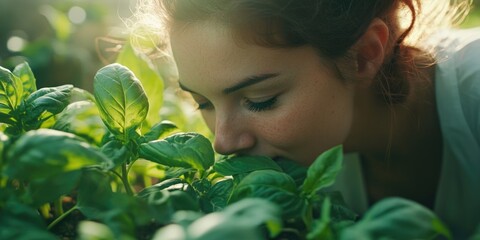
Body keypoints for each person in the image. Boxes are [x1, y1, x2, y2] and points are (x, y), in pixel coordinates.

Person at [131, 0, 480, 238]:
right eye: (202, 102)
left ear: (364, 55)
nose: (222, 142)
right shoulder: (297, 170)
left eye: (260, 101)